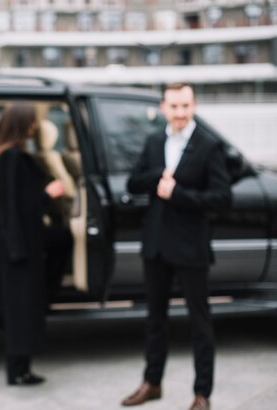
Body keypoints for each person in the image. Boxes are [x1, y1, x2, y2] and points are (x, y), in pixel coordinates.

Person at [122, 83, 231, 410]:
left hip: (190, 246)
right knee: (155, 319)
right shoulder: (156, 141)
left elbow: (222, 199)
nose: (180, 113)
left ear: (193, 105)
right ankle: (152, 383)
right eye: (174, 106)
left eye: (186, 106)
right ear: (163, 107)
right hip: (156, 245)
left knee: (200, 321)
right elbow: (133, 182)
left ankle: (202, 394)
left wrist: (178, 193)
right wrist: (159, 176)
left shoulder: (208, 146)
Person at [0, 104, 67, 386]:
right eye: (32, 123)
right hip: (18, 246)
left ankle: (22, 369)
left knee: (21, 307)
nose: (35, 128)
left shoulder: (7, 156)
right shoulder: (12, 158)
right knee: (20, 308)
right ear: (23, 125)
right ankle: (18, 371)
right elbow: (13, 206)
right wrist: (47, 193)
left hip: (18, 244)